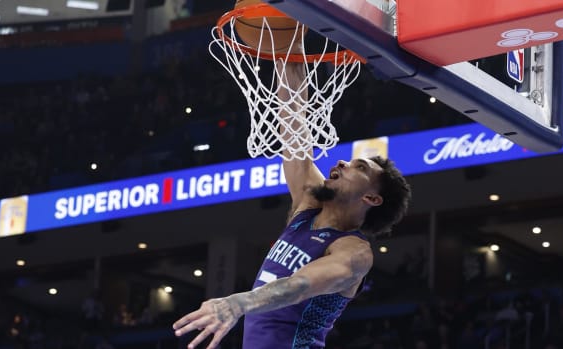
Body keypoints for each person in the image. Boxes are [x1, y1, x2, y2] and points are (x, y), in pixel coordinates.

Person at [173, 62, 411, 349]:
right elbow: (294, 122)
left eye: (358, 167)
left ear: (371, 199)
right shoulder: (308, 204)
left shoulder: (354, 252)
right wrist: (289, 49)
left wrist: (237, 303)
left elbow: (299, 286)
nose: (341, 163)